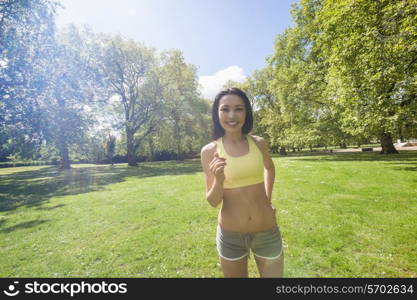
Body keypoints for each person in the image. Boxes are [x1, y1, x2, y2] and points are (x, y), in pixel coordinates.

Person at [200, 87, 284, 278]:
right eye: (225, 109)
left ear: (247, 112)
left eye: (239, 109)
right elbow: (213, 201)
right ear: (217, 113)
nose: (232, 115)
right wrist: (219, 179)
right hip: (230, 237)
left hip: (266, 232)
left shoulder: (259, 143)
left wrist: (267, 200)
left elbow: (269, 168)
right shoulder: (209, 151)